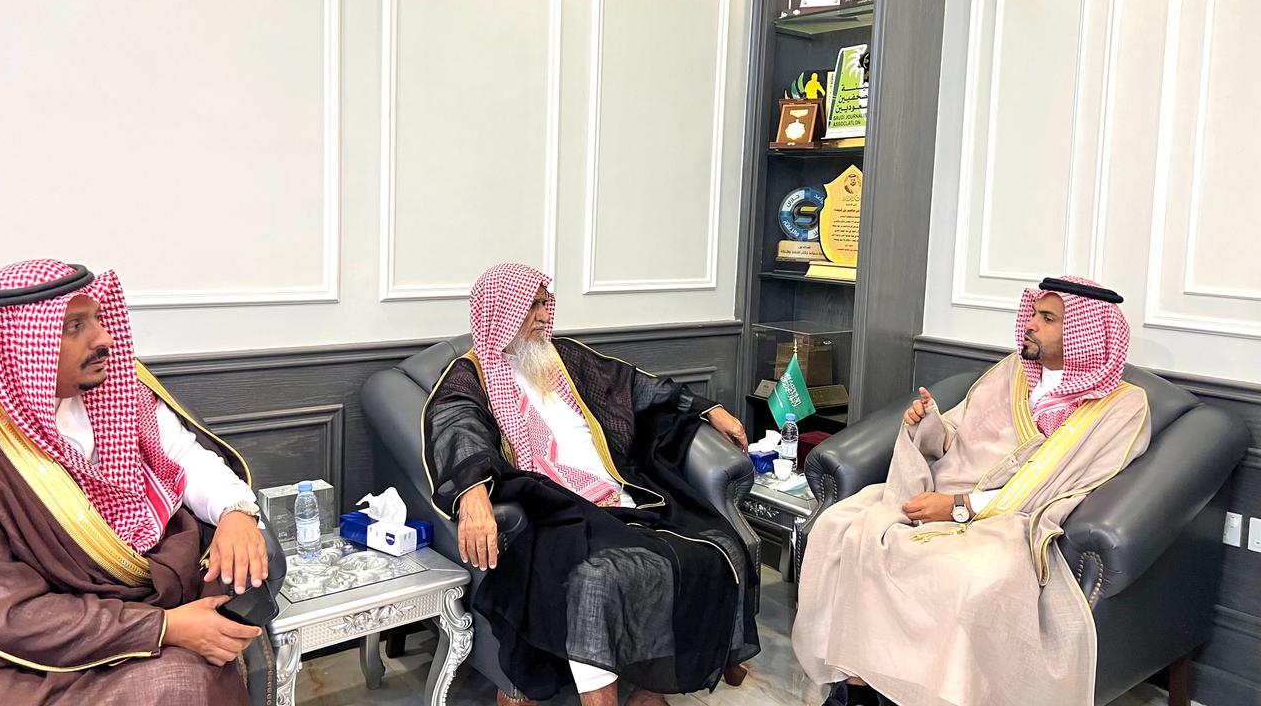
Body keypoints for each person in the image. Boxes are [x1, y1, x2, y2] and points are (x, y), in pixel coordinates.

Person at [792, 276, 1150, 706]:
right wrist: (927, 424)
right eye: (1034, 313)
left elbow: (1063, 484)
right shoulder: (1013, 372)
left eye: (1047, 318)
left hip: (1013, 521)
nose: (1030, 324)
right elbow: (958, 435)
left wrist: (959, 508)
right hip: (943, 489)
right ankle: (858, 686)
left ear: (1082, 333)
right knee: (841, 527)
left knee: (966, 575)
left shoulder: (1121, 407)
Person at [423, 262, 759, 706]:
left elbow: (636, 386)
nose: (545, 314)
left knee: (714, 548)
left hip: (619, 494)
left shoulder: (565, 358)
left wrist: (708, 409)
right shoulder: (471, 376)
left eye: (546, 303)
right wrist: (472, 494)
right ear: (502, 311)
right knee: (598, 578)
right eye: (533, 306)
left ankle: (650, 689)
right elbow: (457, 427)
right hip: (552, 511)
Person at [0, 259, 272, 704]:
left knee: (241, 580)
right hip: (48, 642)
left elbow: (184, 458)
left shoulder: (116, 388)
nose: (105, 339)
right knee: (179, 682)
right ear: (19, 345)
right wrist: (165, 628)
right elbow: (8, 612)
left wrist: (236, 511)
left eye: (98, 319)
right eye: (75, 326)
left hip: (149, 586)